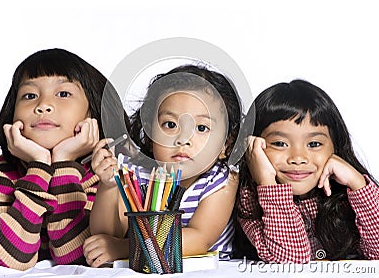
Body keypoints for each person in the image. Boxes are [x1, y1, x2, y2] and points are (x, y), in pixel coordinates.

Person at [0, 48, 129, 270]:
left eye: (63, 94)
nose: (43, 105)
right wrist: (40, 166)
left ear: (91, 115)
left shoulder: (105, 172)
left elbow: (79, 259)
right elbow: (9, 260)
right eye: (30, 96)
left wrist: (63, 163)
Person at [84, 63, 244, 267]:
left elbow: (200, 239)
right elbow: (108, 235)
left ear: (225, 145)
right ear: (149, 133)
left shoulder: (222, 179)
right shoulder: (136, 173)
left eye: (202, 128)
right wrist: (107, 187)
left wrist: (123, 248)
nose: (183, 138)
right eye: (170, 125)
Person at [235, 79, 379, 263]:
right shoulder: (251, 199)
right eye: (280, 144)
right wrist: (267, 182)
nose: (298, 157)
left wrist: (357, 183)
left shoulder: (344, 195)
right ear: (253, 148)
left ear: (335, 147)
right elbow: (293, 261)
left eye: (314, 144)